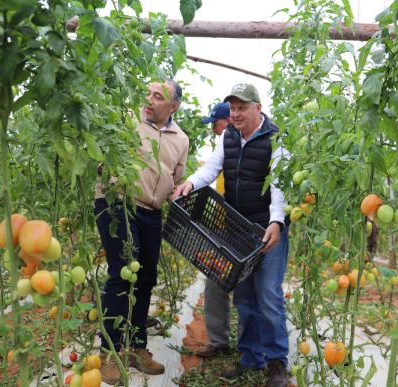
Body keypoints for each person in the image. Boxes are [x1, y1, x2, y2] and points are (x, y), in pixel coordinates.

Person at [174, 83, 290, 387]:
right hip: (238, 230)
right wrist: (190, 183)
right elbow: (212, 168)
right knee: (245, 297)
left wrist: (276, 222)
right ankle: (251, 357)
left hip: (266, 229)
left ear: (257, 109)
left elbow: (279, 186)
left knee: (268, 296)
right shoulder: (229, 136)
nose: (236, 114)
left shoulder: (276, 139)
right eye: (233, 108)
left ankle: (277, 363)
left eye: (242, 108)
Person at [94, 80, 189, 385]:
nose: (149, 100)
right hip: (117, 204)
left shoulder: (180, 139)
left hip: (151, 211)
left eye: (157, 97)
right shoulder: (126, 119)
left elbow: (176, 179)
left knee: (146, 278)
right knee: (122, 274)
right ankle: (109, 351)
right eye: (147, 93)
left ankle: (137, 348)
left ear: (172, 107)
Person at [195, 101, 233, 358]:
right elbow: (210, 173)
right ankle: (219, 341)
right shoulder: (222, 146)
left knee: (245, 288)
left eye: (216, 124)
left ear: (227, 121)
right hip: (222, 225)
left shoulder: (243, 142)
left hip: (242, 224)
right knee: (215, 281)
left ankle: (252, 347)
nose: (214, 130)